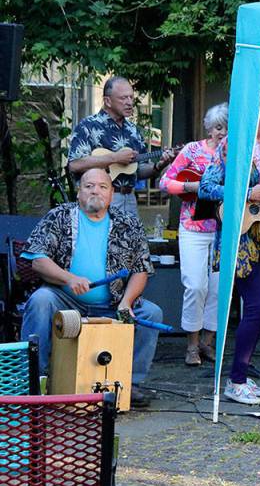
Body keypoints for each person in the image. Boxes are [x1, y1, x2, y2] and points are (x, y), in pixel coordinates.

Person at [19, 168, 162, 408]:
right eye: (89, 186)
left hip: (112, 303)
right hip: (65, 300)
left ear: (112, 193)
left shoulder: (128, 223)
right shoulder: (59, 216)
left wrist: (127, 302)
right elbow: (38, 260)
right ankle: (34, 382)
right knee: (41, 300)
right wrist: (69, 278)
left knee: (151, 313)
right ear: (79, 192)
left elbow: (141, 269)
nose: (95, 190)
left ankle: (130, 383)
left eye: (102, 186)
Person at [198, 96, 260, 405]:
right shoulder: (231, 146)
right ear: (249, 117)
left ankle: (243, 373)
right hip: (244, 238)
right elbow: (206, 187)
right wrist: (246, 192)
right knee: (256, 306)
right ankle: (236, 381)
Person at [158, 103, 228, 366]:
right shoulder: (193, 150)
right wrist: (191, 186)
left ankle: (208, 343)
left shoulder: (235, 154)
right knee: (196, 286)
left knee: (219, 289)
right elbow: (164, 182)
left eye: (227, 128)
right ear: (209, 128)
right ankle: (191, 344)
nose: (223, 133)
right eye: (218, 127)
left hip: (224, 229)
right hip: (193, 228)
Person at [68, 76, 175, 217]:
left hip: (129, 199)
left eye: (131, 97)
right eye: (123, 98)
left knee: (131, 239)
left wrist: (158, 166)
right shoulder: (88, 126)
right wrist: (114, 158)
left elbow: (139, 170)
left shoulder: (133, 130)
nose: (129, 102)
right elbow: (75, 164)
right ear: (107, 101)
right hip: (98, 200)